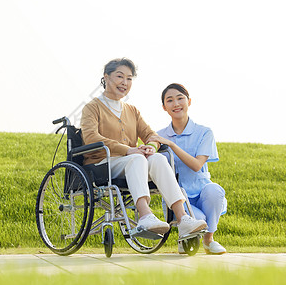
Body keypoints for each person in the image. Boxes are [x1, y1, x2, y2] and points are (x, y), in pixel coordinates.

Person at [80, 58, 207, 238]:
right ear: (106, 77)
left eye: (129, 78)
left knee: (157, 159)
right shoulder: (92, 108)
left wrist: (151, 147)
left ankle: (183, 218)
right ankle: (145, 215)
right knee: (137, 158)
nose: (125, 82)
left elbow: (151, 136)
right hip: (102, 163)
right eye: (120, 76)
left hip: (131, 162)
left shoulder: (132, 110)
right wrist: (128, 149)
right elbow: (90, 137)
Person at [148, 83, 227, 255]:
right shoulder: (159, 134)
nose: (176, 104)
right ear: (164, 107)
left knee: (215, 191)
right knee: (200, 220)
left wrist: (171, 145)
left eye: (180, 98)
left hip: (203, 191)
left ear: (189, 101)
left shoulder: (204, 132)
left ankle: (209, 240)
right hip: (180, 197)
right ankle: (187, 238)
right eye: (170, 100)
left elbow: (197, 165)